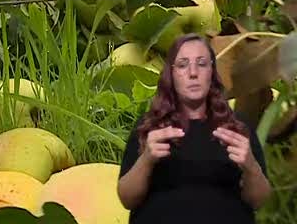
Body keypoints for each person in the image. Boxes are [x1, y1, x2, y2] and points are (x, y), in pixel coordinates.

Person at [117, 32, 273, 223]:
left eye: (201, 64)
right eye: (183, 65)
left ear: (212, 72)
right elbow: (126, 198)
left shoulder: (237, 128)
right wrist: (147, 159)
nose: (193, 73)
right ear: (171, 75)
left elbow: (259, 200)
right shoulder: (150, 126)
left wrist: (250, 166)